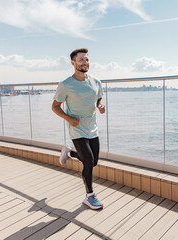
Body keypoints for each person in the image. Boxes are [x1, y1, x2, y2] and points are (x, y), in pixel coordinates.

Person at [52, 48, 105, 209]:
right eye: (81, 60)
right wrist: (69, 118)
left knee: (93, 161)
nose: (85, 62)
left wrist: (100, 105)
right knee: (88, 161)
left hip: (92, 128)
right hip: (77, 129)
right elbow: (55, 107)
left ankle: (69, 152)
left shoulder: (96, 81)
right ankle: (89, 196)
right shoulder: (66, 84)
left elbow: (98, 98)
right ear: (73, 63)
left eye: (87, 59)